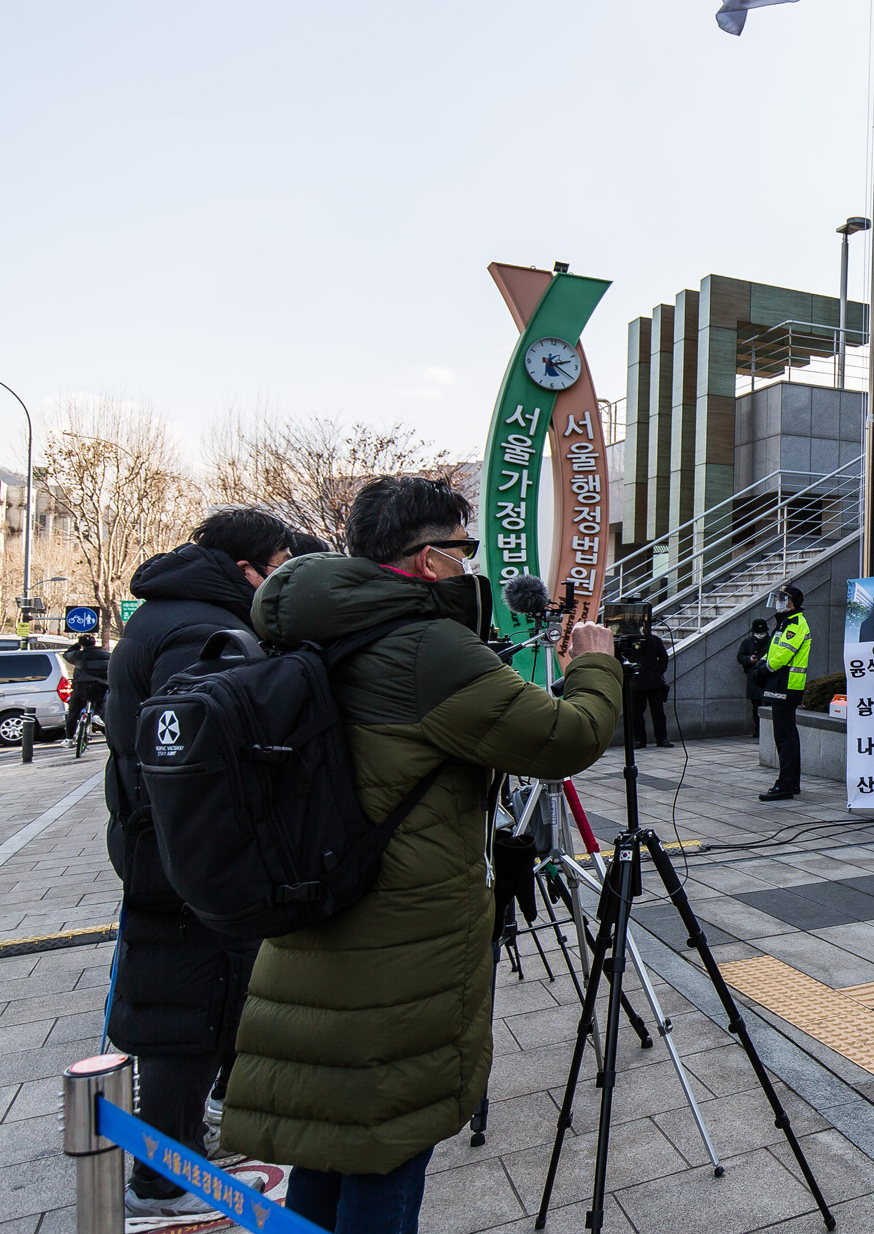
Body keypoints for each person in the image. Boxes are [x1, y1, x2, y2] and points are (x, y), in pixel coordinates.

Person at [218, 476, 621, 1234]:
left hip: (317, 918)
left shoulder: (312, 627)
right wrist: (595, 663)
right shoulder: (423, 646)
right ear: (431, 558)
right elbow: (563, 738)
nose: (472, 567)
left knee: (327, 1145)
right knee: (388, 1145)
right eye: (464, 551)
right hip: (399, 944)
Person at [103, 507, 294, 1219]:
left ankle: (181, 1139)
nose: (281, 579)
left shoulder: (175, 610)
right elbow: (192, 757)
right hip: (188, 853)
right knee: (187, 1010)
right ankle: (161, 1177)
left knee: (204, 999)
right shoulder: (195, 628)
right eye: (277, 565)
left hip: (169, 844)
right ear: (245, 566)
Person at [758, 582, 811, 802]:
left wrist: (763, 669)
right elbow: (772, 650)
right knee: (788, 735)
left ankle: (785, 785)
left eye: (783, 599)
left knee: (784, 737)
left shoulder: (796, 623)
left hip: (786, 684)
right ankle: (792, 782)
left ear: (792, 603)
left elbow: (781, 656)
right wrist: (762, 663)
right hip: (782, 683)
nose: (779, 603)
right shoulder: (784, 622)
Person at [617, 621, 673, 749]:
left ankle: (662, 739)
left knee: (658, 712)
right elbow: (620, 657)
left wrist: (659, 670)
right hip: (636, 683)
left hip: (654, 682)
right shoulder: (629, 642)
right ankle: (639, 740)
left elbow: (664, 657)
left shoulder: (654, 640)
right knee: (636, 713)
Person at [61, 631, 109, 738]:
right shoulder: (107, 655)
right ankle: (96, 715)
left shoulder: (77, 655)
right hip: (99, 687)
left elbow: (66, 654)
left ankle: (69, 738)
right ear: (94, 643)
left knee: (73, 712)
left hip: (80, 687)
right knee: (101, 702)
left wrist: (77, 645)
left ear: (81, 645)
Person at [736, 617, 771, 735]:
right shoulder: (747, 642)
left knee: (769, 703)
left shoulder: (771, 641)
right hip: (753, 677)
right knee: (755, 704)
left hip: (767, 675)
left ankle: (769, 730)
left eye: (762, 633)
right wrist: (749, 660)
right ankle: (758, 729)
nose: (760, 635)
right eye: (757, 633)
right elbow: (740, 657)